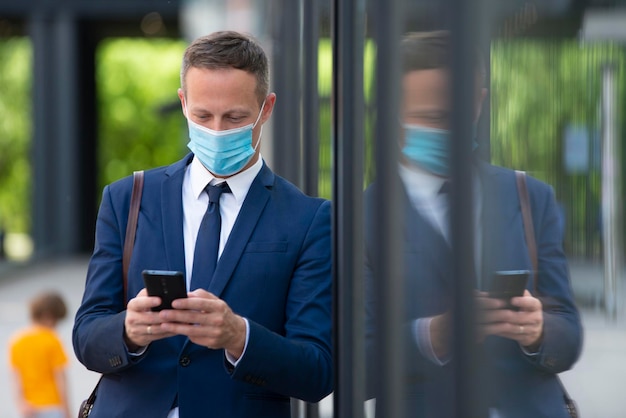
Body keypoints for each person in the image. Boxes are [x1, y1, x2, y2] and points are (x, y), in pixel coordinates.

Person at [73, 31, 332, 418]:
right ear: (183, 103)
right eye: (202, 116)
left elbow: (317, 371)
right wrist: (128, 330)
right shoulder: (126, 198)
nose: (216, 130)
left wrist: (239, 336)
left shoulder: (308, 219)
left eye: (235, 117)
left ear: (266, 108)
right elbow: (86, 336)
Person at [364, 31, 583, 417]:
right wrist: (433, 335)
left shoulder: (530, 197)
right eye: (432, 117)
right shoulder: (360, 217)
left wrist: (537, 331)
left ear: (479, 101)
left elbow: (569, 334)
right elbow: (350, 361)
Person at [9, 291, 71, 418]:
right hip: (52, 405)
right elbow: (60, 378)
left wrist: (21, 404)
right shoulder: (52, 340)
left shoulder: (16, 340)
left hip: (30, 408)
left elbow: (16, 378)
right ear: (48, 317)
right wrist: (67, 411)